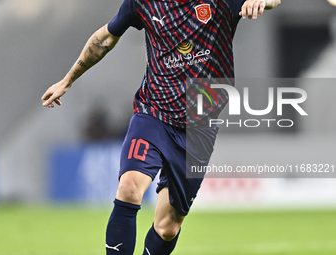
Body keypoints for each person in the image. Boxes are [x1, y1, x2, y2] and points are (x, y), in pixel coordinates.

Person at [41, 0, 281, 254]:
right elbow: (106, 37)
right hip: (153, 113)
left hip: (199, 126)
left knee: (168, 227)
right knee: (129, 187)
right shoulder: (142, 3)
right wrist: (68, 80)